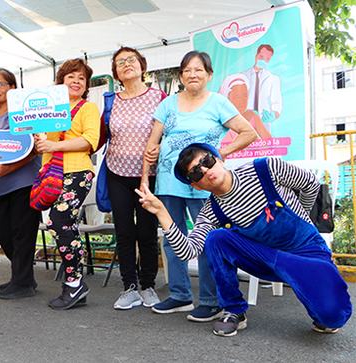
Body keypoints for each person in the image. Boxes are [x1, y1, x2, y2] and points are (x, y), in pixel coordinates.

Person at [136, 143, 352, 337]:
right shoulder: (211, 212)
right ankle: (234, 310)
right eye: (196, 173)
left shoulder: (266, 169)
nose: (205, 170)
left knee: (333, 318)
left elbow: (311, 184)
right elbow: (187, 252)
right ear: (196, 186)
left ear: (218, 159)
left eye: (207, 161)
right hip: (266, 259)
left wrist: (304, 221)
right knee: (216, 239)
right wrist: (161, 212)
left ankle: (314, 291)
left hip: (305, 251)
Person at [142, 51, 257, 322]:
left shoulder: (218, 102)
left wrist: (221, 154)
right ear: (181, 75)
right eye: (187, 70)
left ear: (209, 75)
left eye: (199, 70)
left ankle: (210, 299)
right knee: (173, 238)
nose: (193, 74)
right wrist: (145, 178)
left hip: (204, 184)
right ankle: (180, 295)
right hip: (170, 181)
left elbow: (248, 132)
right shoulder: (168, 104)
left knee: (207, 240)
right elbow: (153, 142)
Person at [34, 58, 100, 310]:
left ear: (86, 86)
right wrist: (38, 136)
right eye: (70, 76)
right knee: (64, 223)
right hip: (52, 174)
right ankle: (74, 284)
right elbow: (43, 141)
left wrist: (53, 146)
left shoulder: (88, 108)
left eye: (81, 78)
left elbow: (89, 140)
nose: (76, 81)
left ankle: (74, 283)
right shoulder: (50, 109)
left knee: (58, 220)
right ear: (61, 81)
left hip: (78, 172)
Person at [106, 47, 167, 310]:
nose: (127, 64)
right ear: (116, 73)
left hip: (150, 176)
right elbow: (96, 137)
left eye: (132, 60)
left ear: (142, 66)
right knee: (124, 231)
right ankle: (129, 287)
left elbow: (171, 132)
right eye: (120, 62)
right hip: (117, 172)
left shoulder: (159, 97)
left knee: (147, 230)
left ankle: (149, 285)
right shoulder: (111, 101)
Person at [0, 68, 42, 299]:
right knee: (3, 233)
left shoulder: (22, 114)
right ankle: (23, 275)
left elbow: (34, 149)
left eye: (1, 84)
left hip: (23, 182)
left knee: (22, 233)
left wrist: (9, 168)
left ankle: (22, 282)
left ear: (13, 88)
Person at [218, 73, 271, 144]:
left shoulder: (252, 117)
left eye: (245, 95)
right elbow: (224, 149)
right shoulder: (221, 120)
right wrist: (244, 123)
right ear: (228, 98)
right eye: (238, 97)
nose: (243, 100)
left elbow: (270, 143)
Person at [242, 44, 282, 129]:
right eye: (261, 56)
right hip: (245, 120)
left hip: (263, 121)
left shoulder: (273, 79)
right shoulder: (243, 77)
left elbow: (276, 101)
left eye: (267, 59)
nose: (263, 60)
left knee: (264, 141)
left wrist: (275, 113)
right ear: (256, 55)